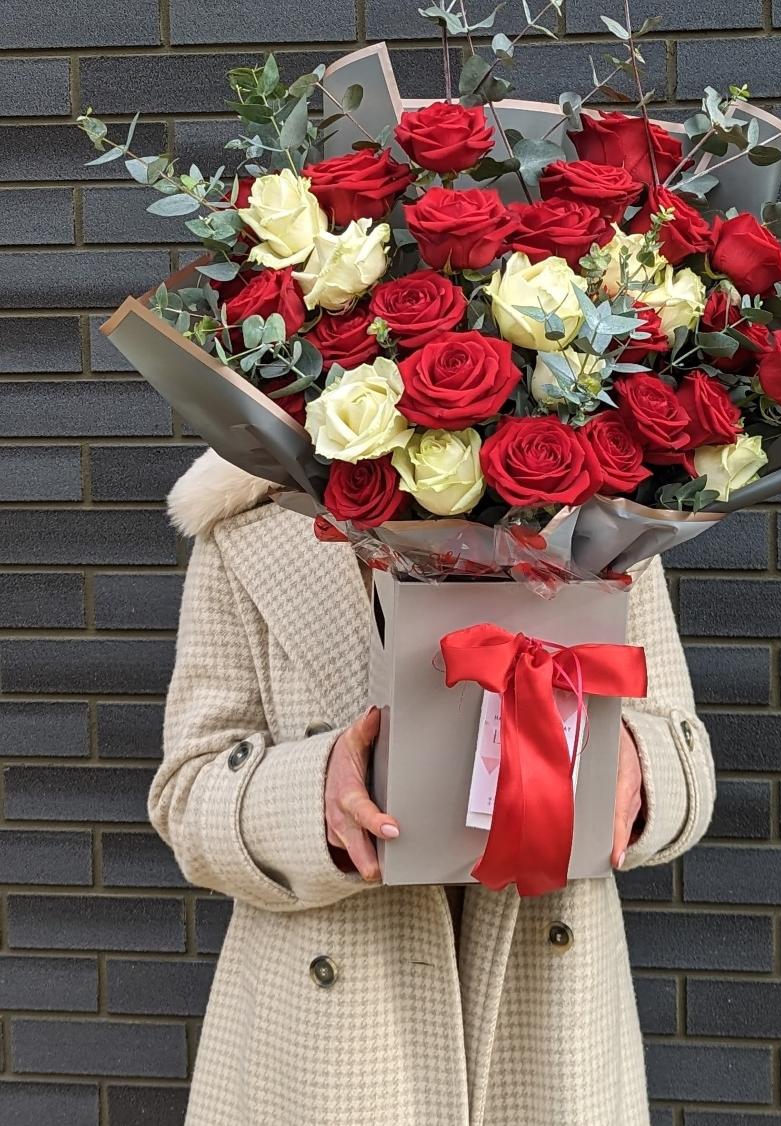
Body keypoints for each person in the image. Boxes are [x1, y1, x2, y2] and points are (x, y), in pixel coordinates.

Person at [151, 448, 717, 1126]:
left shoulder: (605, 513)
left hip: (550, 1022)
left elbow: (686, 763)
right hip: (330, 1042)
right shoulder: (247, 521)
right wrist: (315, 796)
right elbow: (187, 795)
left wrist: (630, 765)